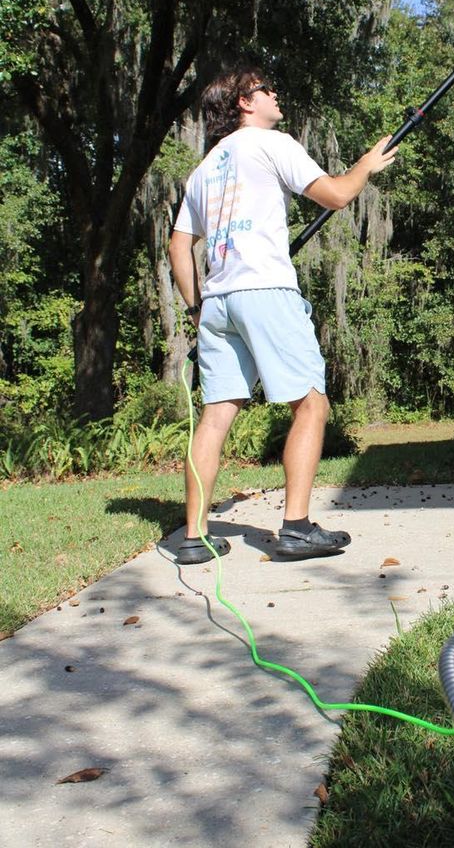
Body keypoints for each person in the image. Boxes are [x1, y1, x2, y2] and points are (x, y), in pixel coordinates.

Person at [168, 65, 396, 564]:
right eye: (266, 89)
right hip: (267, 290)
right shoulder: (272, 143)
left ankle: (194, 537)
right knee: (311, 404)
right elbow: (336, 195)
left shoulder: (204, 167)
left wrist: (194, 305)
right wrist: (365, 165)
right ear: (245, 103)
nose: (276, 93)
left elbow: (179, 245)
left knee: (215, 417)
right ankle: (295, 528)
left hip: (220, 301)